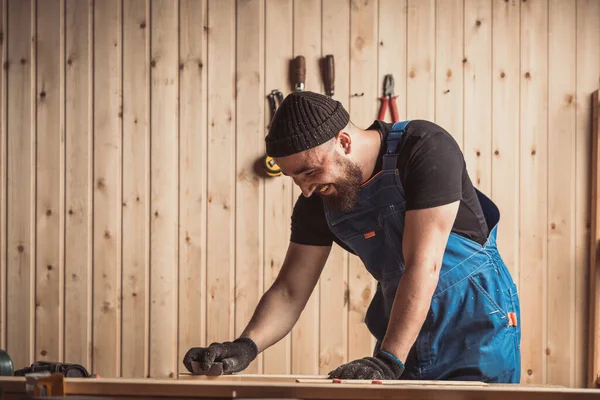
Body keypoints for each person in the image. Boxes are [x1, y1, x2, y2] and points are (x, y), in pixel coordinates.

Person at [183, 91, 521, 382]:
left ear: (343, 141)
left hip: (476, 328)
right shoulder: (318, 200)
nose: (305, 188)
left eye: (309, 171)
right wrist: (246, 345)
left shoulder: (424, 148)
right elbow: (289, 291)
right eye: (293, 178)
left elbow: (424, 264)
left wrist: (389, 361)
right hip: (401, 336)